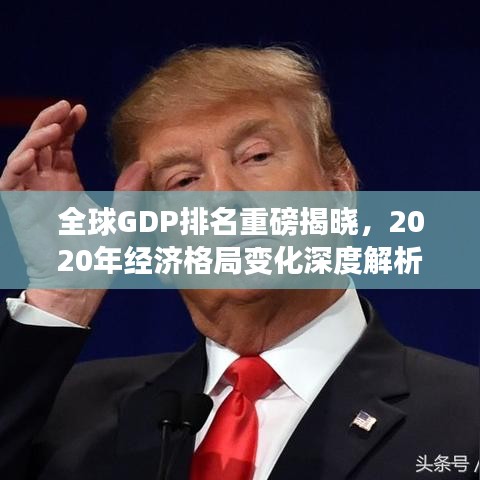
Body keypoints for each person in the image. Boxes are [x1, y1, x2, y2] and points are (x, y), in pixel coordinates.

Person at [0, 47, 477, 480]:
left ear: (339, 188)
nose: (222, 198)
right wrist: (62, 295)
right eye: (184, 181)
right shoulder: (67, 418)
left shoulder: (465, 419)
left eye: (256, 156)